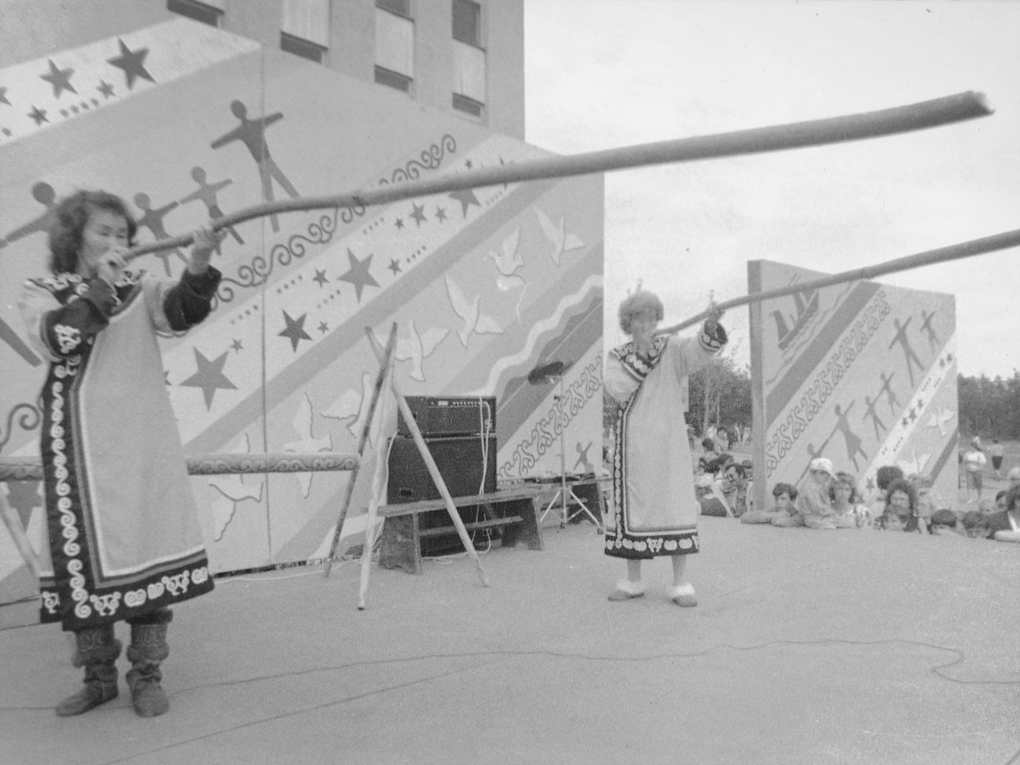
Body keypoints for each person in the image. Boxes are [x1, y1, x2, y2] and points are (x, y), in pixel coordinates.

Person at [19, 190, 224, 717]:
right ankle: (98, 678)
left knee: (147, 554)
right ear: (74, 237)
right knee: (86, 569)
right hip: (80, 453)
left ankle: (147, 675)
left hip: (140, 446)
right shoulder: (41, 292)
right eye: (103, 232)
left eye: (122, 235)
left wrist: (197, 266)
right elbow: (60, 337)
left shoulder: (143, 290)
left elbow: (182, 312)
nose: (117, 242)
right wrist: (101, 285)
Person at [603, 290, 726, 607]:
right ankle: (633, 581)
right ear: (628, 323)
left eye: (653, 317)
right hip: (635, 446)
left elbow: (698, 354)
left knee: (676, 505)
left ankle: (680, 583)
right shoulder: (617, 356)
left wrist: (710, 326)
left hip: (670, 441)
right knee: (634, 508)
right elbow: (617, 389)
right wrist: (643, 353)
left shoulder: (671, 348)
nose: (648, 323)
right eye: (640, 318)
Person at [796, 458, 855, 529]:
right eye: (822, 473)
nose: (826, 476)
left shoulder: (816, 486)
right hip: (814, 519)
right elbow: (818, 507)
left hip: (817, 517)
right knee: (836, 524)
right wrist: (834, 514)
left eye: (827, 474)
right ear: (812, 473)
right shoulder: (810, 487)